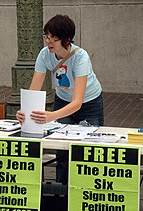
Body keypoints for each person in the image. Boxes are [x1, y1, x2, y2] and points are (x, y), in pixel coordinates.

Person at [16, 14, 104, 184]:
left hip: (90, 102)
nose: (48, 41)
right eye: (46, 36)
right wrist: (24, 111)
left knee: (89, 150)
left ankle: (84, 189)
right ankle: (61, 193)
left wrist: (51, 116)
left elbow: (77, 102)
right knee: (61, 148)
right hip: (63, 100)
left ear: (67, 39)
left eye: (53, 38)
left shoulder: (81, 57)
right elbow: (34, 88)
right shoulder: (44, 55)